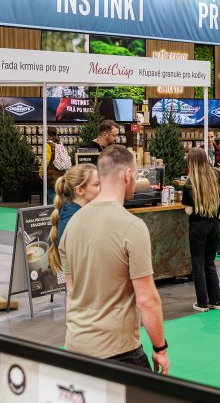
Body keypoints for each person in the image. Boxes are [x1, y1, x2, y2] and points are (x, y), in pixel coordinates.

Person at [59, 145, 169, 373]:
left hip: (76, 347)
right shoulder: (132, 226)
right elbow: (147, 299)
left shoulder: (72, 225)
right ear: (127, 176)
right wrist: (160, 348)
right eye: (136, 174)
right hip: (118, 351)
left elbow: (70, 292)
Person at [181, 148, 220, 312]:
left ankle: (202, 303)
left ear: (191, 162)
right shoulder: (216, 175)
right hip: (215, 225)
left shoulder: (190, 182)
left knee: (198, 263)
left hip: (198, 226)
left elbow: (189, 210)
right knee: (210, 262)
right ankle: (217, 301)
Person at [47, 163, 100, 271]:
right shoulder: (75, 221)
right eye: (97, 184)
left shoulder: (70, 210)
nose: (102, 188)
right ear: (80, 190)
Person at [42, 126, 68, 204]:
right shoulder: (60, 144)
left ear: (47, 134)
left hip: (51, 176)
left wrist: (41, 172)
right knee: (58, 195)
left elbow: (46, 161)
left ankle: (53, 210)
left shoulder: (47, 145)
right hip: (61, 174)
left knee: (51, 196)